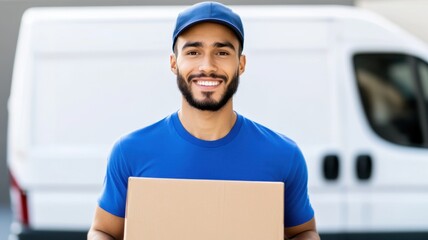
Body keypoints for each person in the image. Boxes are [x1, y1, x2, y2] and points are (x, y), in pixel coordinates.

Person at [88, 2, 320, 240]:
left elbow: (303, 233)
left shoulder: (282, 155)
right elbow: (103, 231)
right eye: (193, 52)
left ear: (241, 64)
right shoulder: (130, 152)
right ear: (173, 63)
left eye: (222, 52)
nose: (207, 66)